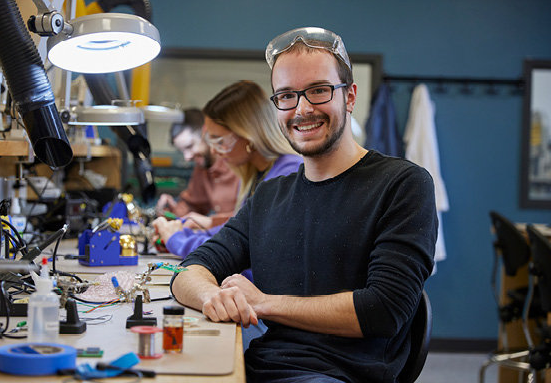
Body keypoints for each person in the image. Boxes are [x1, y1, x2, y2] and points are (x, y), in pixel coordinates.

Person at [171, 27, 437, 382]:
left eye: (318, 90)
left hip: (338, 376)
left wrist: (262, 302)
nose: (302, 109)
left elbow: (384, 309)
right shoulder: (269, 195)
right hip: (262, 367)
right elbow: (190, 270)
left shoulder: (402, 184)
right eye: (286, 96)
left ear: (350, 96)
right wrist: (210, 296)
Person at [152, 81, 303, 263]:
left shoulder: (287, 174)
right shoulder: (256, 175)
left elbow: (241, 250)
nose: (214, 151)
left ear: (248, 135)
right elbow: (236, 232)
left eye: (220, 141)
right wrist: (182, 231)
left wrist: (177, 240)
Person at [155, 108, 239, 230]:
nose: (187, 157)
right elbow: (193, 205)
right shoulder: (202, 168)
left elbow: (252, 218)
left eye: (190, 146)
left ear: (207, 134)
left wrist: (210, 222)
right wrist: (170, 211)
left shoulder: (238, 164)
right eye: (182, 151)